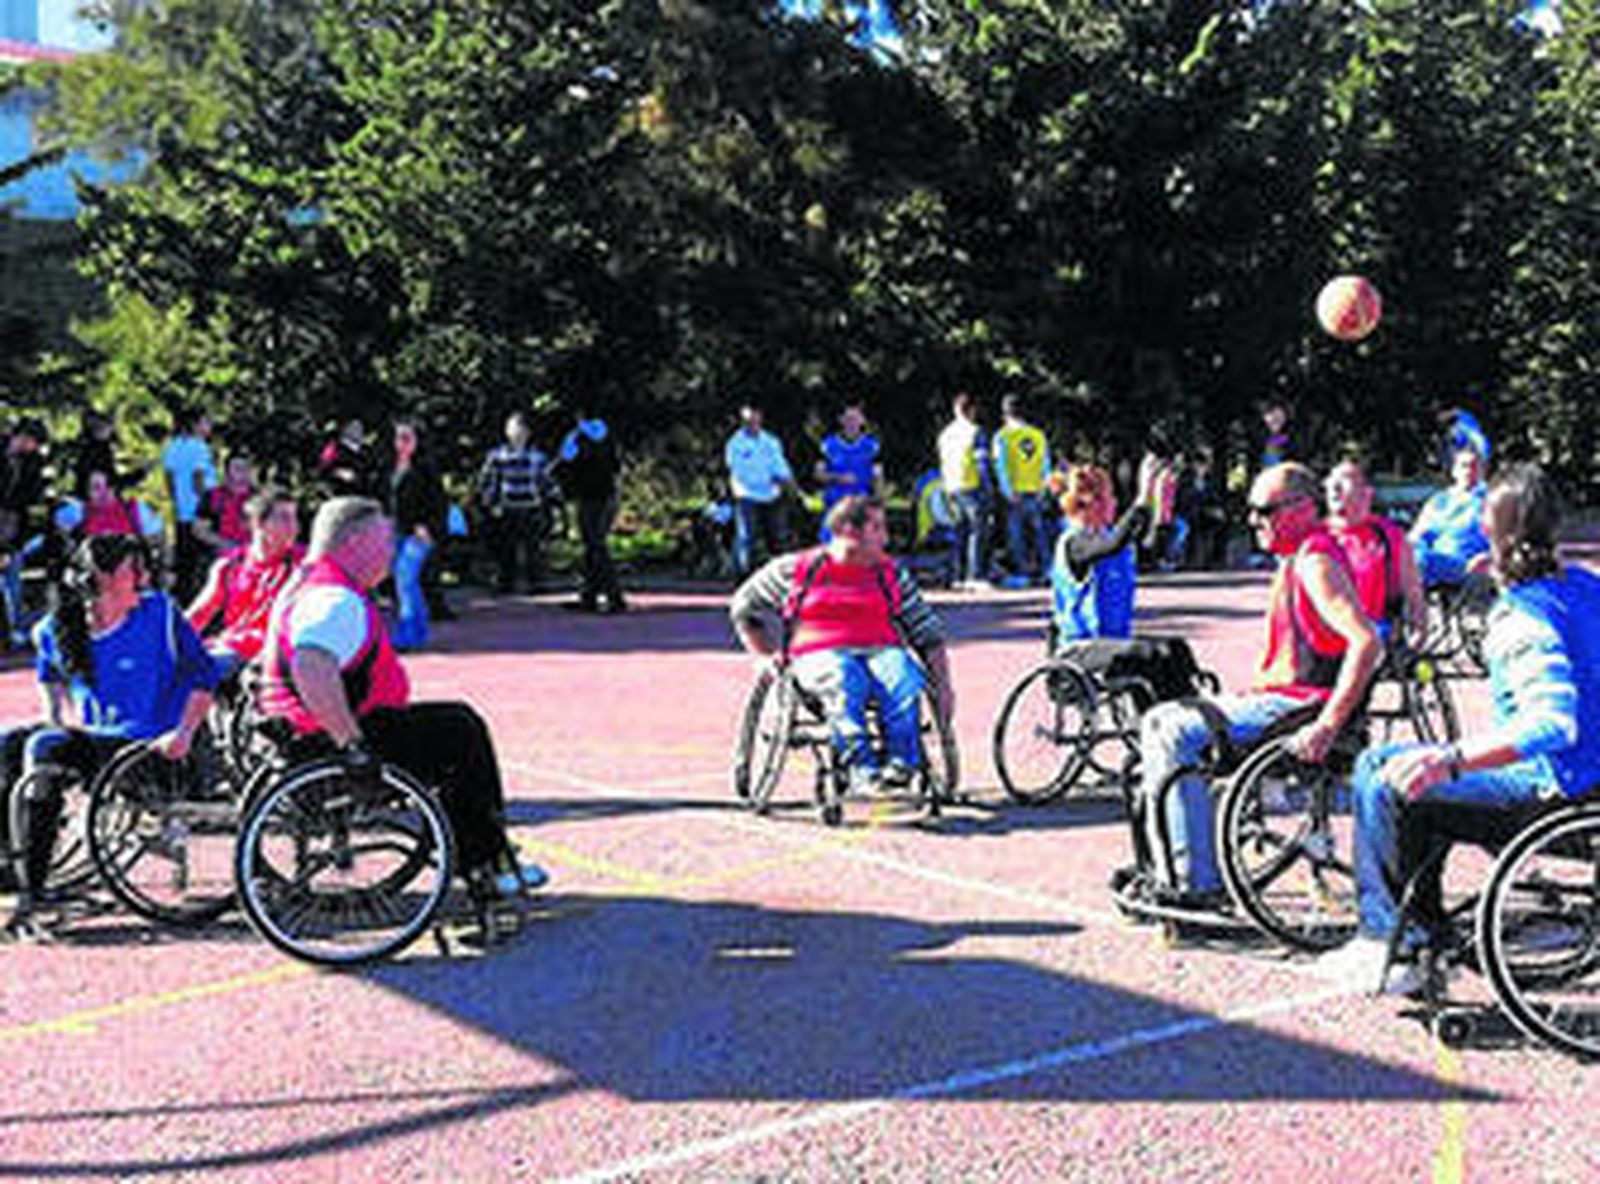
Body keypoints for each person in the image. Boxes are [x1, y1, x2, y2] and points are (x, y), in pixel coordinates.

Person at [1321, 464, 1600, 994]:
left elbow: (1551, 722)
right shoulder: (1587, 587)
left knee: (1396, 784)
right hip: (1587, 775)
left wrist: (1451, 759)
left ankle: (1397, 945)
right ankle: (1420, 929)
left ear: (1489, 532)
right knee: (1377, 762)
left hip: (1556, 789)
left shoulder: (1521, 617)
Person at [256, 496, 545, 901]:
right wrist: (351, 744)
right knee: (460, 731)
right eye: (385, 541)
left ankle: (482, 851)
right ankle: (485, 859)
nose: (392, 552)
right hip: (328, 743)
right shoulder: (334, 600)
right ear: (354, 541)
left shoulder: (307, 583)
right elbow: (310, 666)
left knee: (444, 726)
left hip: (304, 733)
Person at [1134, 462, 1382, 902]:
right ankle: (1176, 859)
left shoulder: (1315, 562)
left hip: (1301, 706)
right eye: (1250, 510)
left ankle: (1195, 882)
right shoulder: (1299, 558)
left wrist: (1327, 724)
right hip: (1283, 699)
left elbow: (1366, 642)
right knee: (1160, 720)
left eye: (1264, 510)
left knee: (1170, 729)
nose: (1253, 521)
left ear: (1304, 509)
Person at [5, 534, 221, 935]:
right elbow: (49, 676)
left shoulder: (160, 615)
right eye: (133, 570)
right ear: (103, 579)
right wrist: (55, 715)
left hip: (155, 750)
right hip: (99, 745)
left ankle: (31, 891)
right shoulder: (58, 628)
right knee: (7, 742)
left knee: (44, 746)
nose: (144, 578)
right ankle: (12, 859)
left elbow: (205, 674)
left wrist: (185, 731)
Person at [729, 495, 953, 796]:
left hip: (882, 648)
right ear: (849, 531)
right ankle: (860, 766)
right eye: (877, 529)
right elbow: (744, 607)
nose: (886, 538)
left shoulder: (891, 575)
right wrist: (763, 655)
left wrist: (944, 688)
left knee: (902, 674)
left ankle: (902, 762)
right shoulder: (796, 569)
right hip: (818, 653)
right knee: (844, 676)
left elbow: (929, 634)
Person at [186, 486, 303, 676]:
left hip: (276, 654)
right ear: (259, 524)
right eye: (284, 517)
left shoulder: (303, 564)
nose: (294, 526)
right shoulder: (230, 566)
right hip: (231, 647)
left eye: (294, 517)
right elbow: (199, 614)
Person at [1051, 459, 1163, 645]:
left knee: (1172, 653)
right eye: (1109, 496)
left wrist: (1160, 508)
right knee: (1146, 656)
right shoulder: (1075, 542)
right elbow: (1113, 544)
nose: (1115, 502)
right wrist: (1142, 498)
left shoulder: (1106, 536)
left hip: (1113, 641)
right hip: (1081, 645)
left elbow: (1149, 551)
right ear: (1090, 502)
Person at [1324, 458, 1426, 645]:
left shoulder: (1390, 535)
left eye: (1345, 479)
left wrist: (1418, 631)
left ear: (1367, 493)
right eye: (1330, 479)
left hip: (1375, 636)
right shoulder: (1316, 536)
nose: (1334, 486)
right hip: (1325, 637)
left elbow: (1413, 592)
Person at [477, 411, 559, 595]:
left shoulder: (538, 457)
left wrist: (553, 501)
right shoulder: (497, 456)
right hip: (507, 507)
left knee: (534, 548)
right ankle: (506, 582)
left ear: (528, 432)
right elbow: (488, 481)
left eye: (521, 429)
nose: (518, 433)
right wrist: (490, 503)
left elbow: (547, 481)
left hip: (531, 506)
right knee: (506, 548)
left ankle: (536, 583)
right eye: (514, 428)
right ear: (507, 431)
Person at [556, 406, 626, 613]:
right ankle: (589, 594)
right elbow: (616, 466)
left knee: (595, 545)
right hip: (608, 495)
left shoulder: (575, 438)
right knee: (595, 545)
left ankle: (613, 596)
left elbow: (564, 465)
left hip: (588, 497)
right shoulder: (608, 436)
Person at [387, 422, 449, 650]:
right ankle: (418, 631)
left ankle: (409, 631)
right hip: (397, 531)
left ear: (417, 441)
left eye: (407, 437)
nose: (402, 442)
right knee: (406, 582)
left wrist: (428, 527)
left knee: (405, 577)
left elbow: (439, 502)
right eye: (399, 437)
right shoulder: (391, 467)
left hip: (420, 532)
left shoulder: (426, 468)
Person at [724, 405, 795, 576]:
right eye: (748, 421)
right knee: (747, 538)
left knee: (779, 538)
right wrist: (766, 478)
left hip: (772, 495)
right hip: (747, 495)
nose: (752, 423)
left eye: (755, 419)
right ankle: (743, 577)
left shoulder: (771, 441)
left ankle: (782, 577)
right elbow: (740, 471)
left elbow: (780, 465)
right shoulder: (735, 444)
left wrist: (786, 480)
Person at [1409, 446, 1491, 589]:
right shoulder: (1439, 501)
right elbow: (1416, 534)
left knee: (1420, 562)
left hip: (1468, 563)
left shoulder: (1488, 501)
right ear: (1454, 471)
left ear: (1482, 471)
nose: (1469, 471)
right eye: (1464, 466)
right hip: (1434, 559)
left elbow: (1504, 539)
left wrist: (1489, 556)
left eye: (1474, 466)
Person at [992, 395, 1053, 585]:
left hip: (1015, 493)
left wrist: (1007, 491)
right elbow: (1045, 465)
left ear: (1004, 413)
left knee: (1016, 535)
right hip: (1035, 490)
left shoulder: (1002, 436)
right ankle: (1047, 569)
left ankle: (1022, 573)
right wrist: (1044, 488)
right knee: (1039, 533)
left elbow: (1000, 466)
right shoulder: (1038, 435)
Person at [0, 419, 49, 647]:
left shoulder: (32, 464)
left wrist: (11, 545)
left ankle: (16, 629)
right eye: (33, 443)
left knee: (13, 580)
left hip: (13, 525)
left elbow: (27, 502)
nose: (34, 448)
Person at [161, 410, 219, 601]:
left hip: (181, 511)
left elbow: (168, 478)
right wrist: (208, 504)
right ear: (194, 425)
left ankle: (181, 598)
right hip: (200, 511)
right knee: (203, 558)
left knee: (184, 559)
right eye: (205, 422)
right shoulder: (200, 447)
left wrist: (177, 501)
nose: (209, 427)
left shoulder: (172, 446)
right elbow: (198, 478)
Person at [937, 392, 993, 590]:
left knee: (959, 531)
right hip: (971, 485)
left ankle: (958, 575)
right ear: (972, 410)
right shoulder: (975, 432)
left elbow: (943, 463)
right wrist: (988, 489)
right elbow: (982, 464)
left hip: (951, 486)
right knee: (977, 532)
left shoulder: (945, 434)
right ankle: (975, 575)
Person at [814, 403, 883, 538]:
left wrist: (879, 500)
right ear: (841, 420)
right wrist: (838, 478)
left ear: (862, 421)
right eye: (848, 418)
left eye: (856, 418)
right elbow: (818, 474)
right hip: (835, 502)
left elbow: (878, 475)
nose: (852, 423)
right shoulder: (828, 445)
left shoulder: (871, 446)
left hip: (862, 501)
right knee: (832, 541)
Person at [194, 453, 255, 556]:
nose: (243, 473)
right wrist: (225, 544)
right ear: (227, 472)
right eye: (237, 468)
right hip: (221, 552)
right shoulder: (212, 496)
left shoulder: (259, 498)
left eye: (246, 468)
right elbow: (199, 530)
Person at [317, 418, 377, 498]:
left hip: (356, 493)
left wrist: (356, 477)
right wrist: (337, 472)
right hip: (334, 489)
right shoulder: (334, 447)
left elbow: (369, 473)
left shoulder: (364, 453)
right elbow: (322, 466)